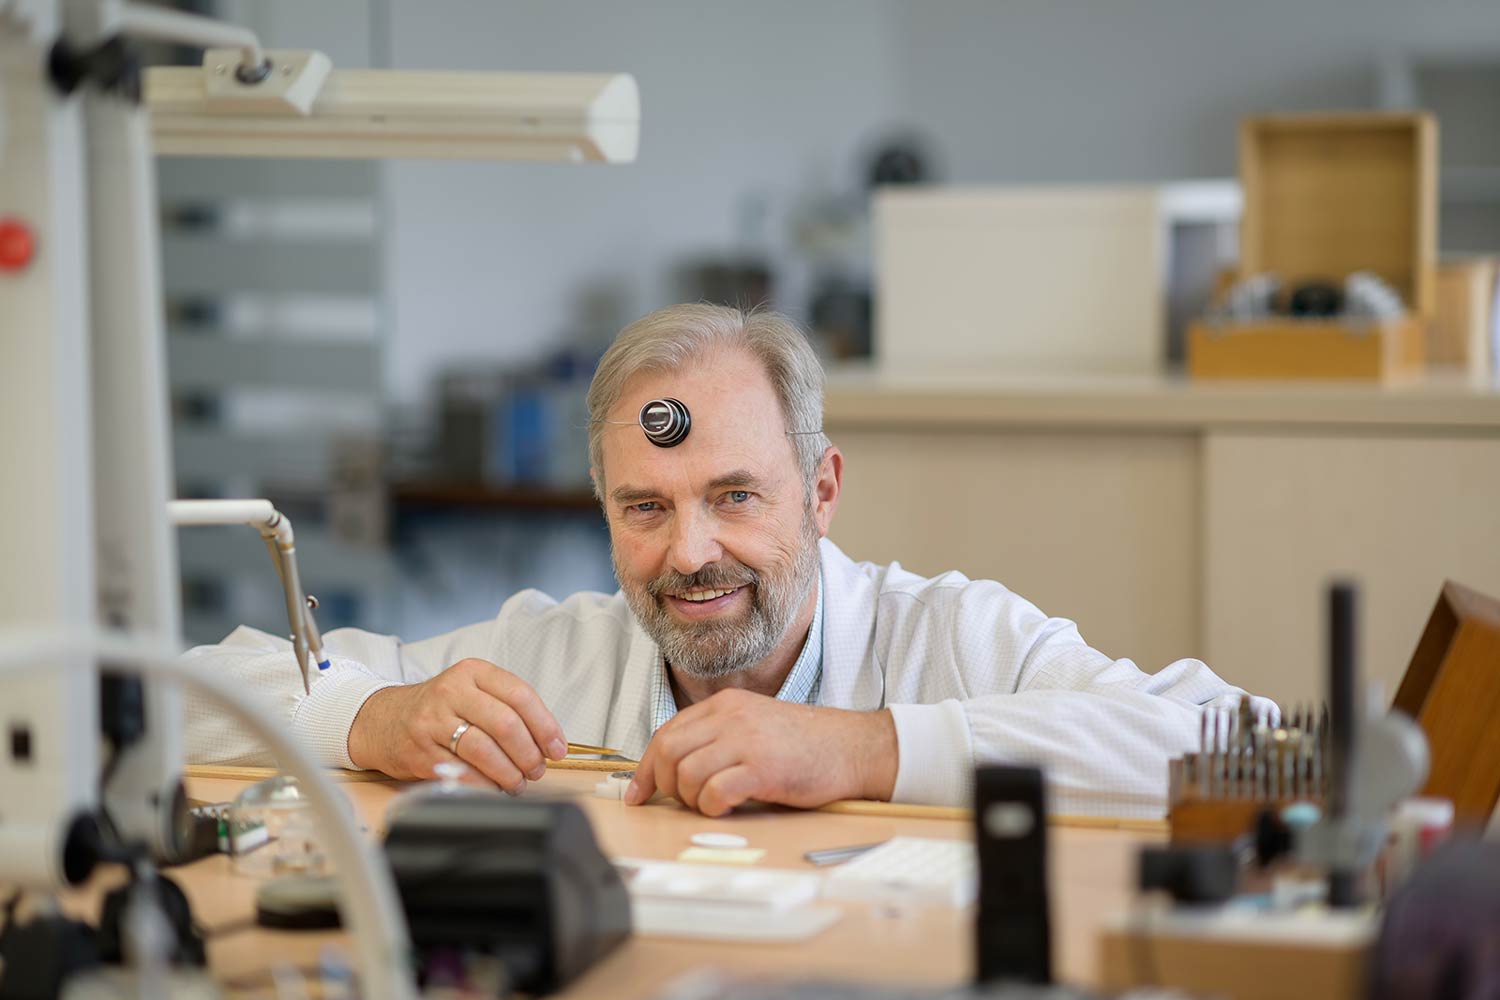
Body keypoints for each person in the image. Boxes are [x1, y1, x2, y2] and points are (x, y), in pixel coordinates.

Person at [185, 304, 1265, 817]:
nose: (689, 554)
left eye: (735, 496)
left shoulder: (949, 638)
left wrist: (867, 749)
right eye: (645, 508)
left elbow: (1258, 752)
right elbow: (177, 695)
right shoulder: (551, 656)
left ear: (823, 491)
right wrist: (373, 718)